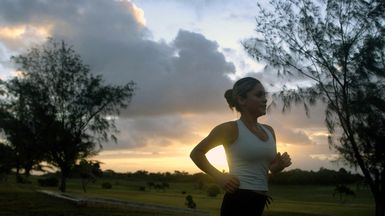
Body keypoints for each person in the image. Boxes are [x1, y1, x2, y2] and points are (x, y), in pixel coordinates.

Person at [190, 77, 292, 216]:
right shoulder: (229, 129)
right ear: (242, 100)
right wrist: (219, 177)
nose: (265, 99)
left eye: (265, 95)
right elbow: (196, 153)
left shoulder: (269, 131)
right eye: (259, 95)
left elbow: (270, 167)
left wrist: (279, 165)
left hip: (259, 201)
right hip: (238, 200)